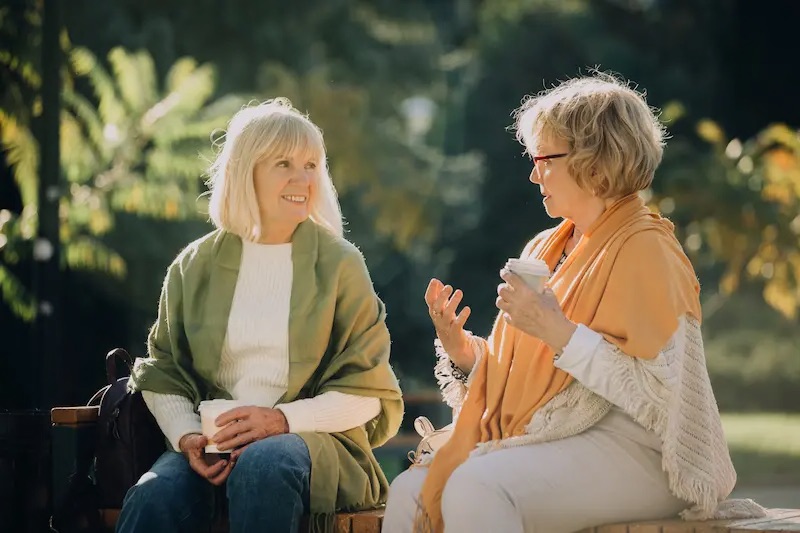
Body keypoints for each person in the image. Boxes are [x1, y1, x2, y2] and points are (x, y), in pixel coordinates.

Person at [382, 73, 764, 533]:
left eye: (544, 157)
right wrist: (463, 350)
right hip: (558, 438)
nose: (532, 173)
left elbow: (659, 397)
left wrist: (556, 330)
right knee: (409, 492)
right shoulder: (544, 247)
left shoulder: (648, 249)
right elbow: (533, 379)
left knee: (478, 486)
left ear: (597, 164)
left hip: (647, 453)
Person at [116, 98, 403, 533]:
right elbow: (163, 373)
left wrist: (282, 420)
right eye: (283, 163)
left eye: (311, 164)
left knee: (264, 465)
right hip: (211, 446)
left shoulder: (341, 265)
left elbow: (367, 393)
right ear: (244, 171)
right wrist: (187, 437)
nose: (302, 179)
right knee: (151, 495)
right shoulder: (194, 266)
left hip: (310, 444)